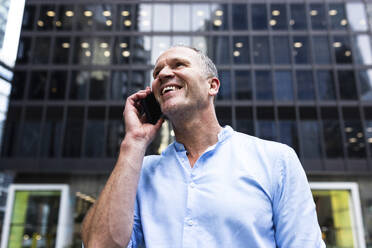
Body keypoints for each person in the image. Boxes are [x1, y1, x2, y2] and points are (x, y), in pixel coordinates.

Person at [81, 46, 325, 248]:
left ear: (213, 86)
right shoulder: (139, 172)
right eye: (156, 72)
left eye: (178, 65)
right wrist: (133, 142)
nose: (163, 74)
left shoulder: (276, 160)